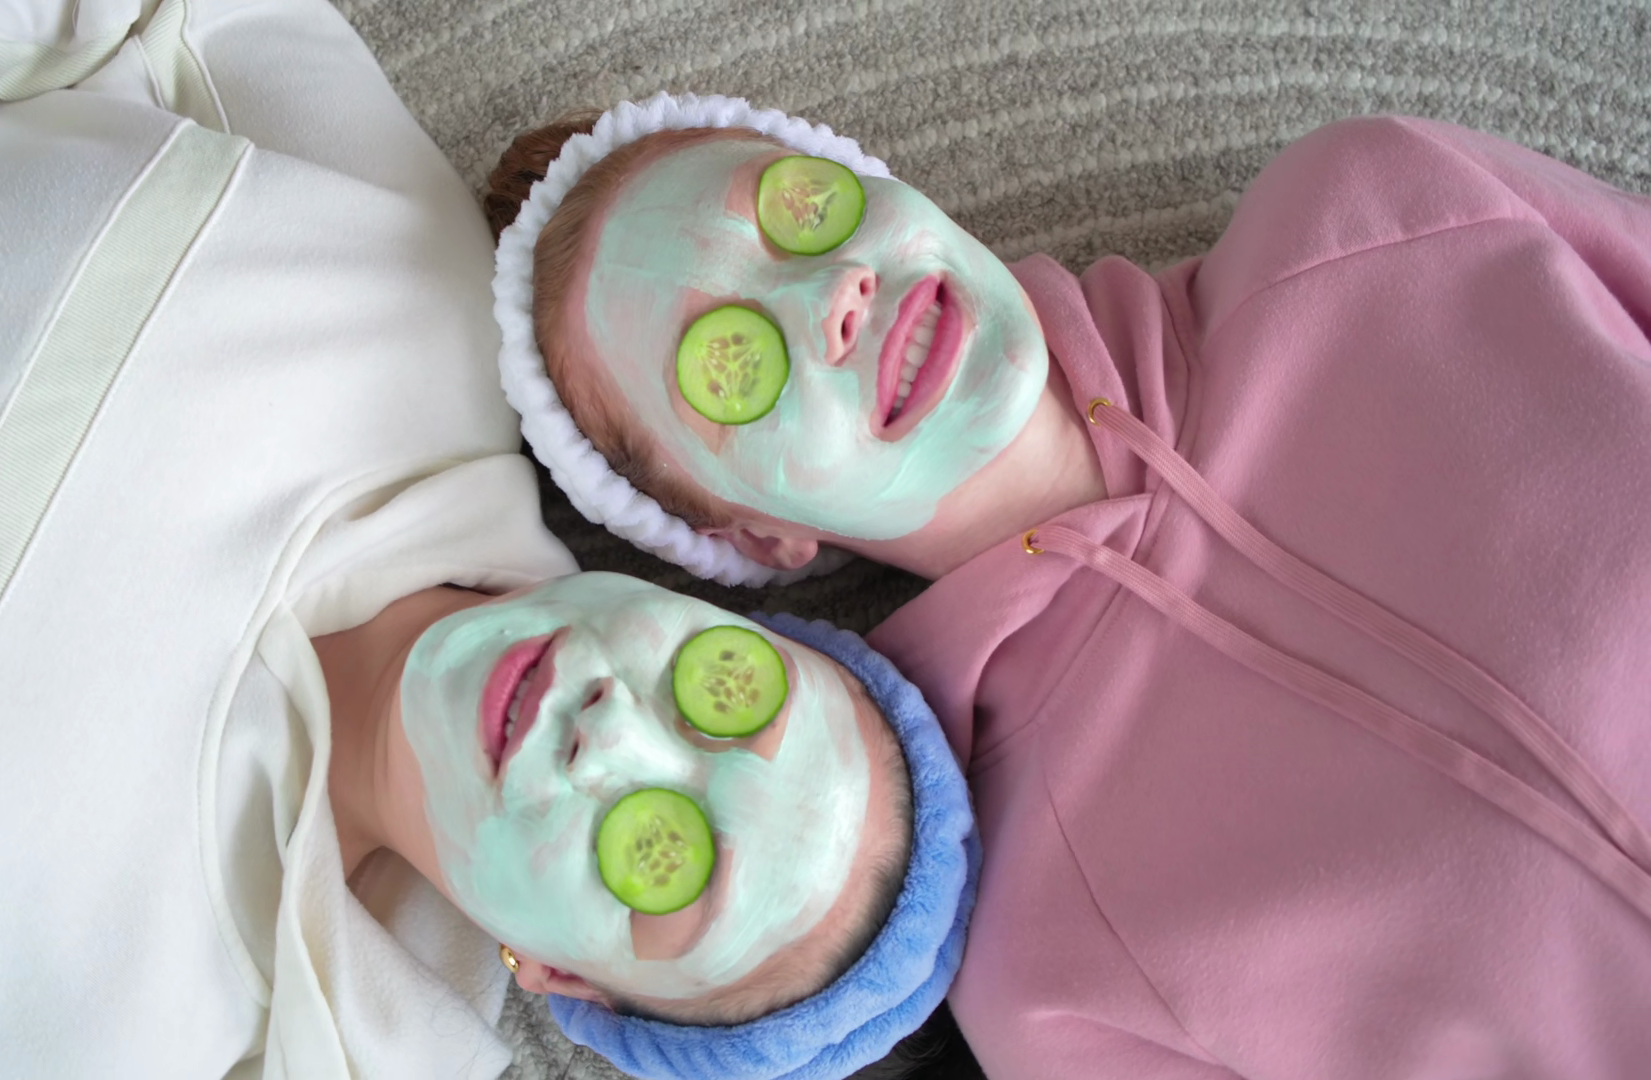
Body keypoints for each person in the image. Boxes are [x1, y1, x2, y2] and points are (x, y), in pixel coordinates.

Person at [0, 8, 976, 1079]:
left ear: (557, 977)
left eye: (662, 866)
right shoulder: (419, 286)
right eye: (727, 690)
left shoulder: (144, 1034)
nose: (611, 730)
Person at [485, 93, 1651, 1077]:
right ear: (758, 534)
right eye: (729, 360)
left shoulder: (1381, 209)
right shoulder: (1040, 962)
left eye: (800, 212)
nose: (830, 294)